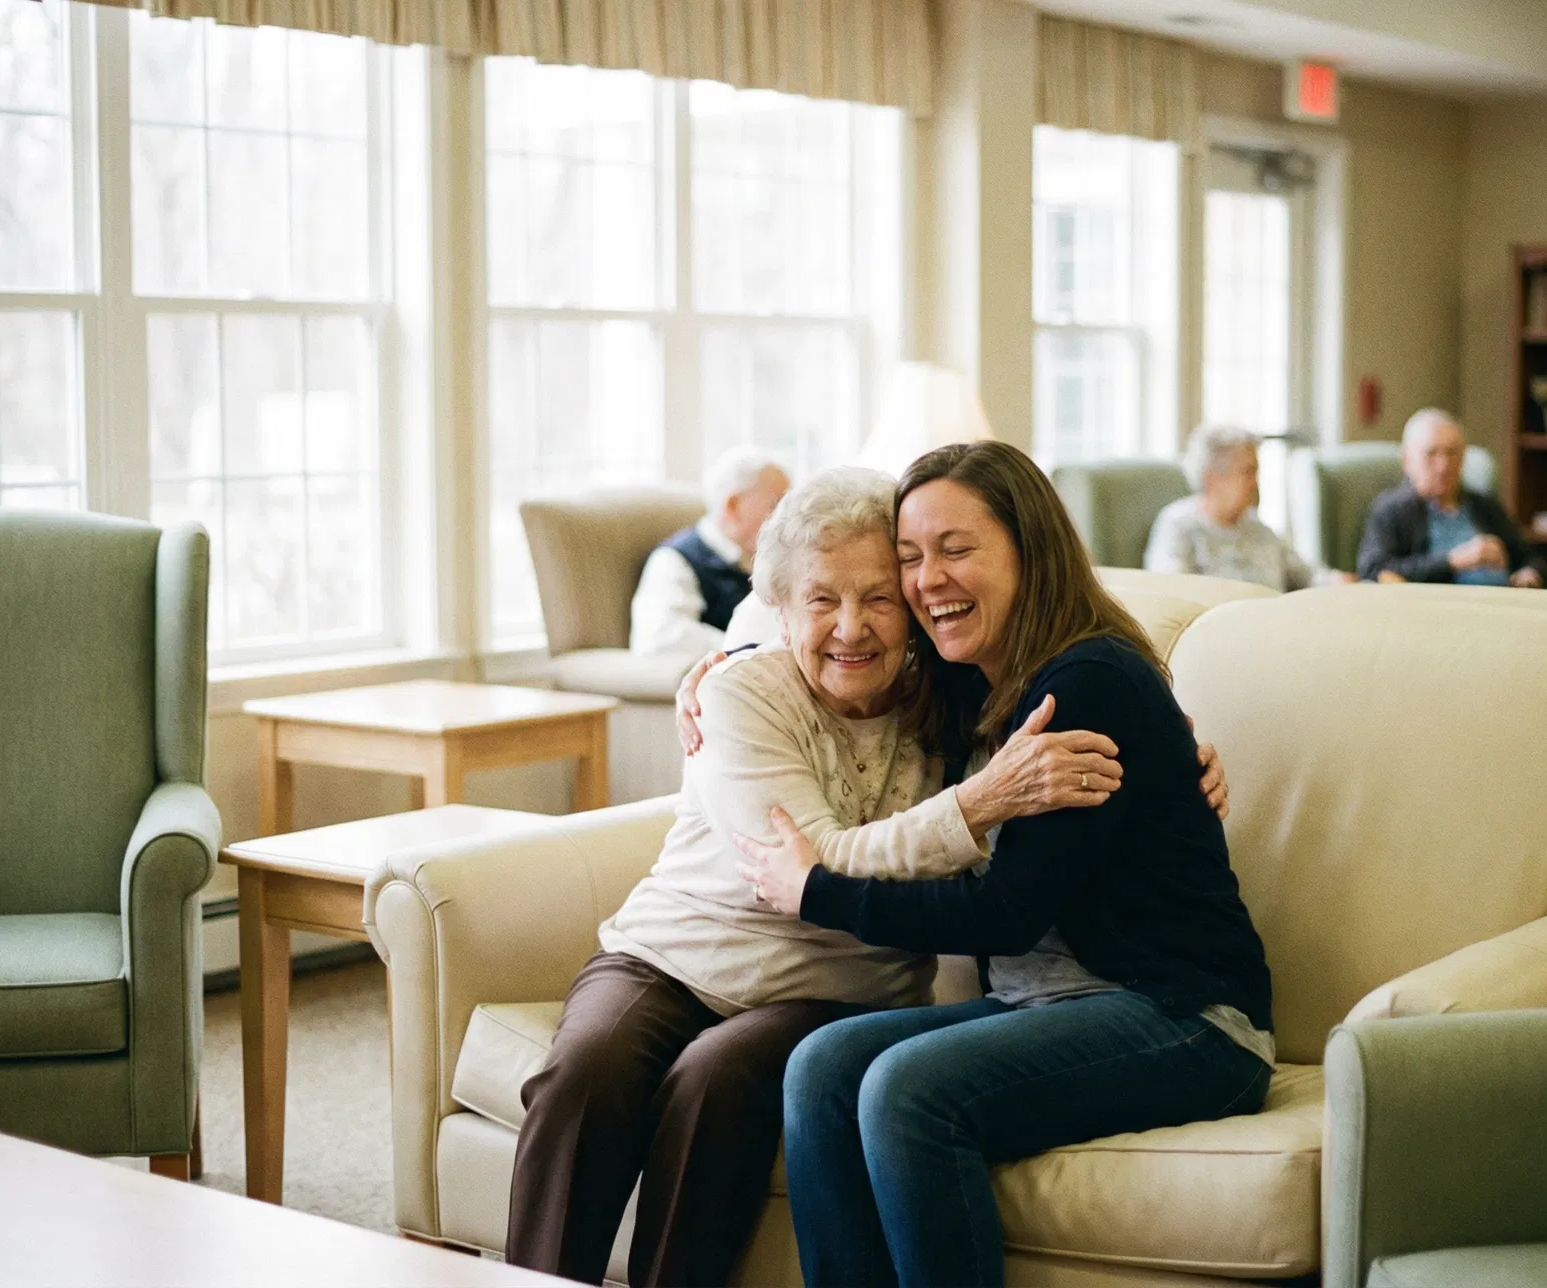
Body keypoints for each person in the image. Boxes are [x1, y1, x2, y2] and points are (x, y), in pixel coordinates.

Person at [507, 467, 1225, 1287]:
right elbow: (811, 859)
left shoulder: (954, 695)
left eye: (880, 598)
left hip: (832, 985)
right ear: (784, 609)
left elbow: (1086, 704)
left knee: (717, 1082)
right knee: (585, 1073)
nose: (851, 627)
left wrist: (1176, 757)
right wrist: (977, 802)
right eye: (823, 601)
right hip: (670, 957)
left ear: (911, 606)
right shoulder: (743, 690)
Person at [735, 441, 1273, 1288]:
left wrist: (819, 891)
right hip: (1043, 1006)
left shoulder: (1089, 681)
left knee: (907, 1090)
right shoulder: (965, 678)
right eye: (911, 558)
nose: (928, 580)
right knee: (823, 1069)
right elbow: (812, 634)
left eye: (956, 549)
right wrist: (721, 674)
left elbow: (1007, 914)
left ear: (1029, 549)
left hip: (1186, 1018)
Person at [629, 447, 791, 660]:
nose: (784, 519)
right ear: (733, 506)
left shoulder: (773, 558)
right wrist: (751, 646)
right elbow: (659, 637)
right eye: (775, 506)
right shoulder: (674, 560)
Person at [1356, 409, 1545, 586]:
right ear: (1407, 460)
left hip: (1503, 599)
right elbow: (1373, 569)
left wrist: (1530, 573)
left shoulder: (1484, 505)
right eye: (1431, 453)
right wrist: (1453, 561)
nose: (1443, 465)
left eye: (1452, 452)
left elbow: (1531, 557)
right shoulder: (1391, 510)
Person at [1144, 424, 1345, 590]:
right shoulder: (1178, 525)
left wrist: (1338, 582)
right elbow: (1170, 590)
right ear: (1212, 478)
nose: (1255, 483)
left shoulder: (1258, 528)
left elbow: (1309, 577)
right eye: (1247, 472)